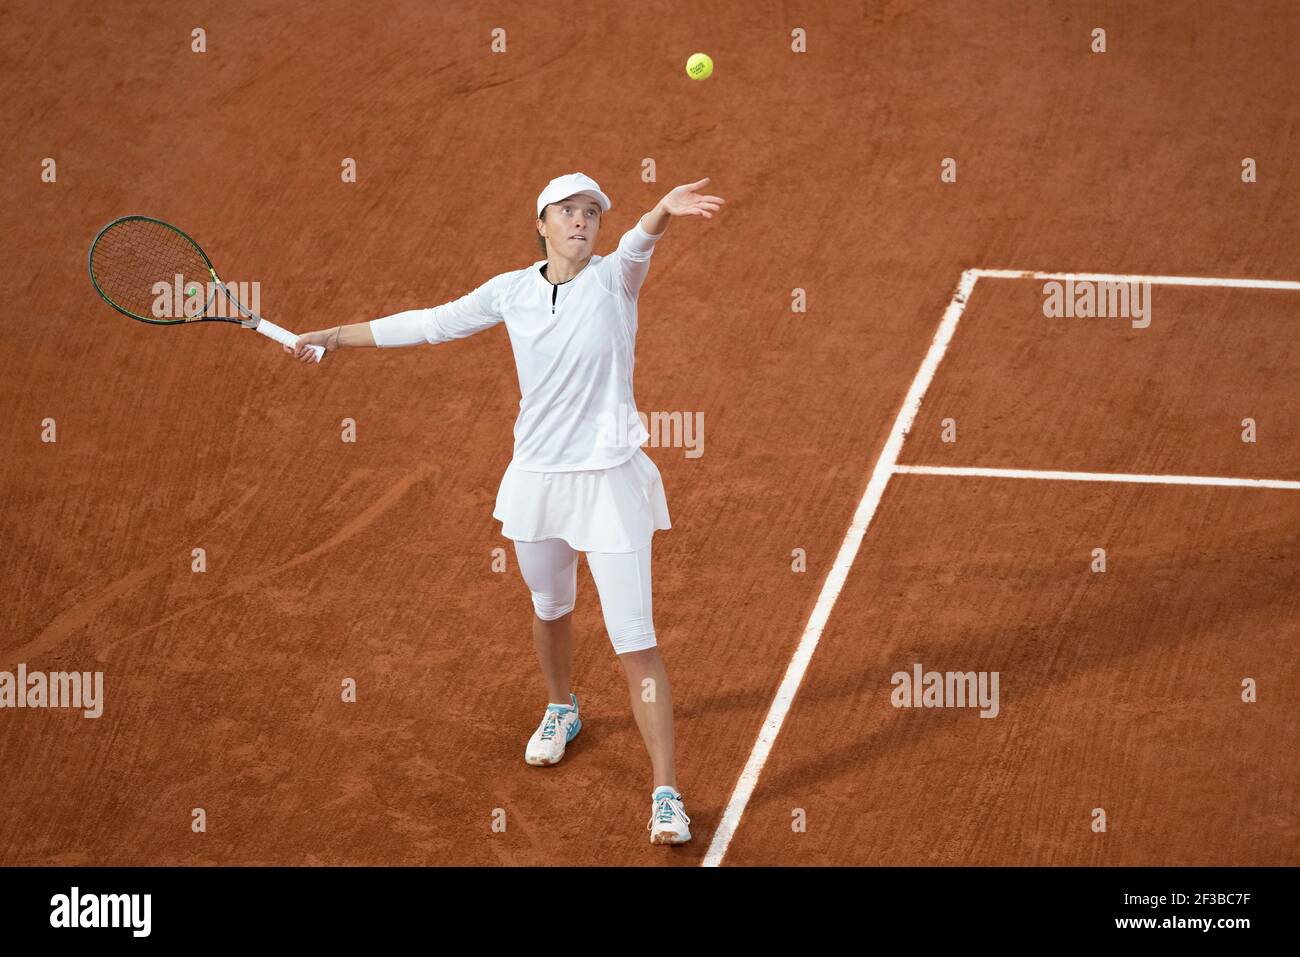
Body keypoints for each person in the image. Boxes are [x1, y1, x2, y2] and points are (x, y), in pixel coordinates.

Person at [288, 172, 724, 844]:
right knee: (550, 607)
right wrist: (336, 335)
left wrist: (662, 209)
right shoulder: (510, 291)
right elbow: (430, 323)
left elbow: (640, 244)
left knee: (635, 642)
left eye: (591, 214)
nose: (582, 222)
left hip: (607, 486)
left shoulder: (614, 280)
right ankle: (561, 707)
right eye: (567, 212)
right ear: (541, 223)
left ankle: (666, 792)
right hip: (538, 482)